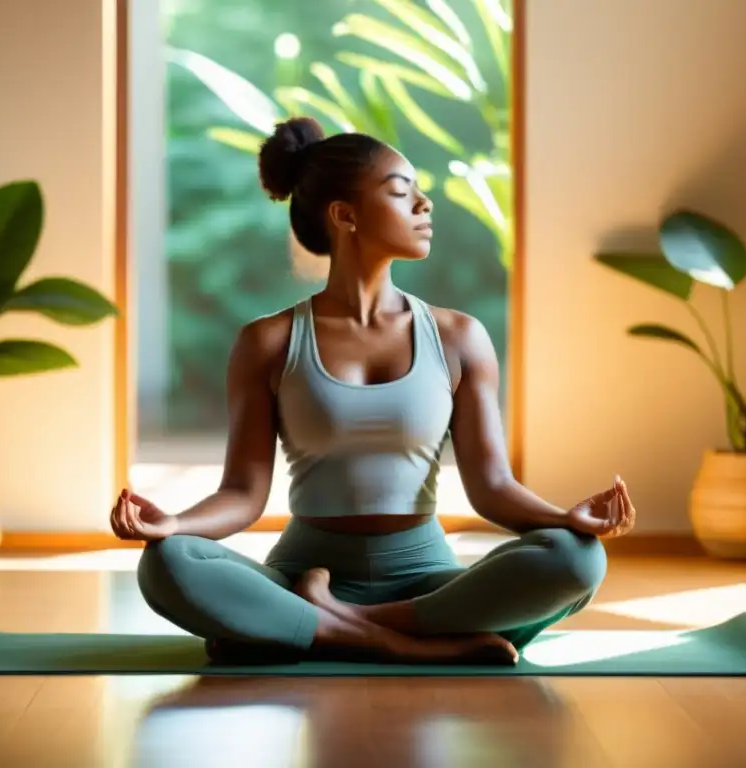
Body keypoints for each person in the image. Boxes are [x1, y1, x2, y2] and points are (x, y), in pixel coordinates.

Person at [111, 116, 637, 666]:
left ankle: (317, 627)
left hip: (425, 583)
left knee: (577, 562)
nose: (424, 205)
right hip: (301, 570)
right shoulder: (267, 342)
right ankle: (409, 644)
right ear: (344, 216)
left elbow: (492, 487)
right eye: (401, 192)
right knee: (167, 564)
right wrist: (173, 524)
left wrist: (565, 520)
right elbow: (243, 494)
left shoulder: (459, 338)